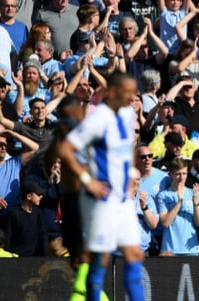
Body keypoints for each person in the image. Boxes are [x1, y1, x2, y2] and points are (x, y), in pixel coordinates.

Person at [56, 72, 146, 301]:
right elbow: (66, 151)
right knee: (101, 258)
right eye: (128, 93)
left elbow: (126, 149)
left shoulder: (127, 114)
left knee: (134, 253)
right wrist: (88, 181)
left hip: (122, 198)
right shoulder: (98, 119)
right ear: (113, 92)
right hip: (101, 199)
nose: (132, 98)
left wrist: (128, 174)